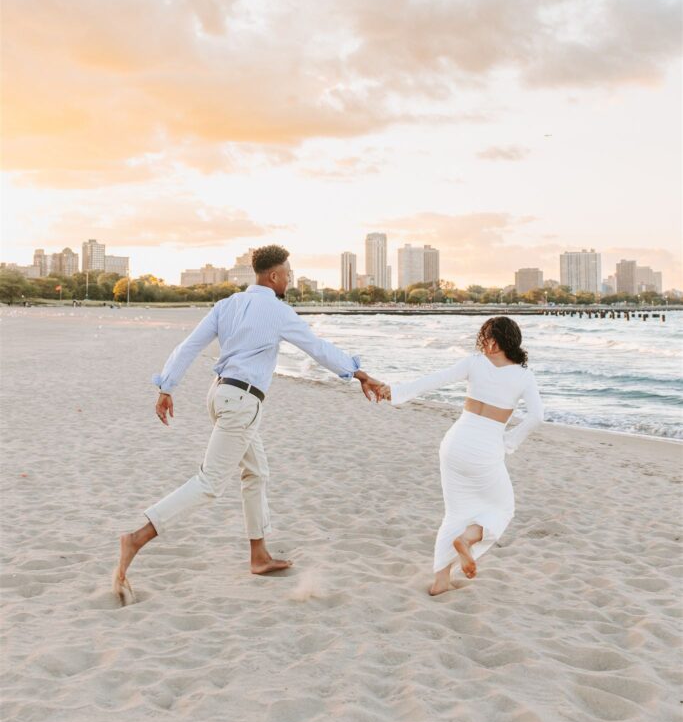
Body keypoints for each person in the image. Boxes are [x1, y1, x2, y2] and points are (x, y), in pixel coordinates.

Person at [114, 244, 385, 605]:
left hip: (220, 395)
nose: (289, 279)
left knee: (256, 473)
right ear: (273, 276)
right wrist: (359, 374)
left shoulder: (227, 305)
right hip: (242, 402)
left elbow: (189, 346)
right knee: (209, 483)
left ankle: (259, 556)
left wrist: (167, 387)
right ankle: (137, 537)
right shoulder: (278, 311)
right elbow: (317, 348)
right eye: (287, 274)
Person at [382, 317, 544, 596]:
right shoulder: (523, 376)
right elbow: (536, 417)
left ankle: (440, 581)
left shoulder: (474, 363)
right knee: (503, 509)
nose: (484, 343)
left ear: (494, 341)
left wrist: (396, 392)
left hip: (455, 444)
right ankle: (467, 540)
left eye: (487, 337)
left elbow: (434, 380)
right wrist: (509, 442)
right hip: (486, 448)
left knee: (454, 513)